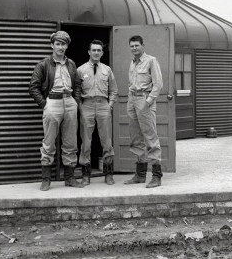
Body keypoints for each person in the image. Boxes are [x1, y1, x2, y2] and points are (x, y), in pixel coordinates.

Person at [28, 31, 84, 191]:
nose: (61, 47)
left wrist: (76, 100)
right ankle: (46, 179)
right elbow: (33, 87)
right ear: (52, 45)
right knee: (49, 142)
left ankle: (70, 178)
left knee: (70, 142)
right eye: (58, 44)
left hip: (69, 102)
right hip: (52, 102)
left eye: (63, 44)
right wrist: (44, 104)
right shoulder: (43, 65)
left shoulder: (71, 64)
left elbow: (78, 84)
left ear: (67, 46)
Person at [123, 35, 164, 188]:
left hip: (144, 101)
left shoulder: (151, 61)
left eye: (136, 45)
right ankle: (140, 175)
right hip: (132, 100)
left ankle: (156, 176)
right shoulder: (132, 63)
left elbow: (158, 84)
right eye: (132, 46)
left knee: (150, 138)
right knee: (135, 138)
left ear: (142, 45)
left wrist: (148, 101)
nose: (134, 48)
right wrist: (130, 100)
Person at [77, 40, 118, 185]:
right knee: (86, 141)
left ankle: (108, 173)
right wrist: (81, 107)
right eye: (93, 50)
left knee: (106, 141)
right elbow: (77, 91)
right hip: (87, 105)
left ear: (102, 53)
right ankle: (86, 174)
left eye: (98, 50)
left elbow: (113, 90)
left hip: (103, 105)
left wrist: (110, 105)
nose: (96, 52)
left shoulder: (107, 70)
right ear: (89, 52)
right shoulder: (81, 70)